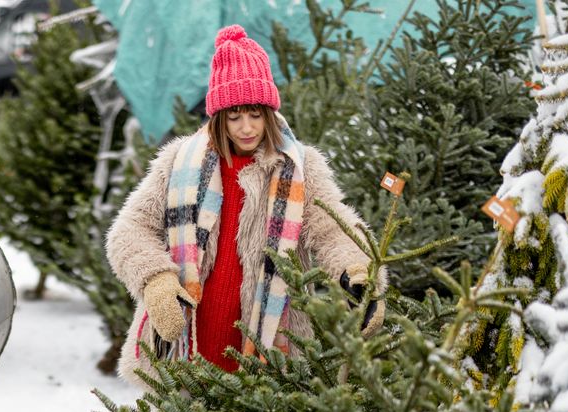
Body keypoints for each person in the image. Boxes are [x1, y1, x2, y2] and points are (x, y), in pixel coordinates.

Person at [106, 24, 386, 386]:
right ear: (218, 117)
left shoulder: (299, 169)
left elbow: (333, 228)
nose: (246, 128)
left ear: (268, 112)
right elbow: (128, 231)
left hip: (266, 340)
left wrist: (359, 270)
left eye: (255, 114)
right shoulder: (178, 163)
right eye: (234, 116)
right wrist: (155, 279)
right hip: (189, 336)